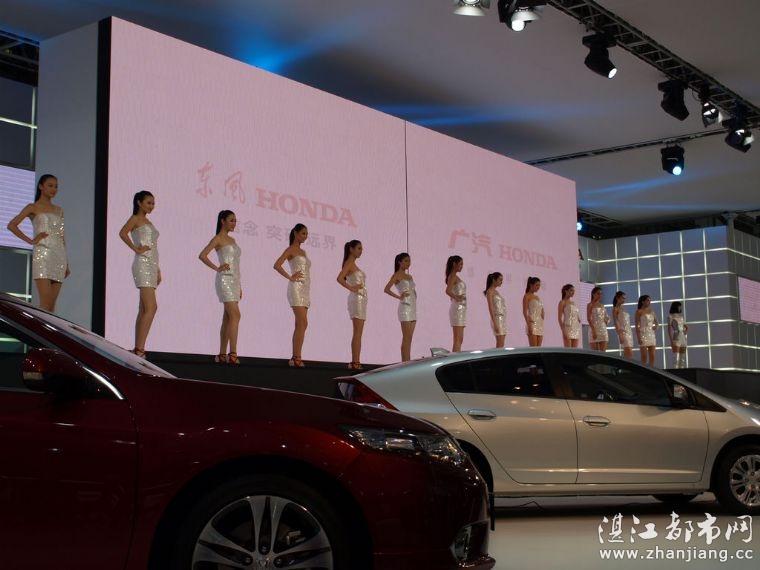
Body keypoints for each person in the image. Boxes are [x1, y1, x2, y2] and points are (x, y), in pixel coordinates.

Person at [6, 174, 70, 311]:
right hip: (43, 255)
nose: (54, 189)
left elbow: (61, 236)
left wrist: (67, 263)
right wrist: (31, 241)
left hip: (59, 257)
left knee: (51, 307)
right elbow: (12, 225)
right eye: (50, 185)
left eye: (56, 186)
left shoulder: (59, 210)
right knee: (45, 304)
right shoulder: (32, 207)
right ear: (41, 186)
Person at [118, 190, 160, 358]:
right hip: (142, 264)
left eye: (153, 203)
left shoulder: (148, 222)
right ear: (139, 203)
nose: (151, 206)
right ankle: (140, 350)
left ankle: (138, 349)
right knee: (151, 307)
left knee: (143, 308)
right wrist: (135, 248)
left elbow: (154, 248)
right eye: (149, 202)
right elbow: (122, 233)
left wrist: (157, 269)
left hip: (151, 265)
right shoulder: (135, 219)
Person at [198, 210, 242, 365]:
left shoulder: (233, 240)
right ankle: (233, 354)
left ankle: (222, 354)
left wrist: (239, 285)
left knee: (228, 317)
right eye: (231, 220)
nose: (234, 223)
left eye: (235, 220)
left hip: (234, 281)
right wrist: (217, 268)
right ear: (222, 221)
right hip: (225, 280)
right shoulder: (218, 238)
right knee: (236, 315)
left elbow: (236, 264)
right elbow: (202, 255)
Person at [273, 223, 310, 368]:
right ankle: (296, 357)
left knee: (301, 324)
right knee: (303, 322)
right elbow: (277, 265)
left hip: (305, 288)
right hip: (296, 288)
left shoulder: (303, 252)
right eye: (303, 233)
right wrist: (290, 276)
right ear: (295, 233)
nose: (305, 236)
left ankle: (296, 357)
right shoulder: (290, 249)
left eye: (306, 234)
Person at [337, 240, 367, 370]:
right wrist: (352, 288)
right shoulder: (349, 263)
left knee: (358, 332)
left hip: (361, 299)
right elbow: (339, 278)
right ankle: (355, 362)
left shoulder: (352, 264)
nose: (361, 251)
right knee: (358, 332)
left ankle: (356, 361)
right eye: (359, 248)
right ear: (351, 249)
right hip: (357, 299)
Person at [383, 252, 417, 361]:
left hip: (413, 307)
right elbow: (386, 289)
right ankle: (405, 363)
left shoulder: (409, 276)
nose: (408, 263)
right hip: (405, 308)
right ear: (399, 262)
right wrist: (399, 296)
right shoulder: (397, 275)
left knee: (410, 338)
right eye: (406, 261)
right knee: (406, 338)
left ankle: (408, 362)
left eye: (409, 261)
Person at [445, 255, 466, 352]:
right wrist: (457, 298)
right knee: (457, 339)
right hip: (457, 309)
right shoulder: (452, 276)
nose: (462, 266)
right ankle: (455, 359)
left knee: (460, 339)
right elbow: (448, 291)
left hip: (461, 309)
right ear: (454, 264)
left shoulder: (455, 276)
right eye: (460, 264)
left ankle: (457, 357)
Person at [635, 294, 659, 366]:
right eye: (648, 300)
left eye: (650, 301)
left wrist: (656, 327)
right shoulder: (639, 311)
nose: (649, 302)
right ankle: (642, 371)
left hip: (651, 334)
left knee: (652, 357)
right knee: (644, 357)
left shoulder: (652, 311)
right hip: (643, 334)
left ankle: (652, 371)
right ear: (643, 301)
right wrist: (638, 337)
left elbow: (657, 322)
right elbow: (636, 325)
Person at [484, 272, 506, 348]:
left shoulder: (496, 291)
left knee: (502, 343)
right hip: (497, 318)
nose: (501, 282)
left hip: (502, 318)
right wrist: (495, 322)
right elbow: (491, 308)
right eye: (500, 280)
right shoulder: (489, 291)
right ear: (494, 280)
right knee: (500, 343)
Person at [587, 286, 610, 352]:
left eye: (601, 294)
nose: (600, 295)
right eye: (598, 293)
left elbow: (606, 317)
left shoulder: (602, 305)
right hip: (594, 329)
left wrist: (607, 321)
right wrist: (593, 330)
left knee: (604, 353)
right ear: (593, 294)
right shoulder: (590, 305)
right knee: (595, 354)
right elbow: (588, 318)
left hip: (603, 329)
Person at [522, 276, 544, 346]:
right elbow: (524, 311)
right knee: (534, 348)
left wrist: (542, 315)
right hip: (532, 323)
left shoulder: (537, 297)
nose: (538, 287)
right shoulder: (526, 296)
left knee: (539, 349)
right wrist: (529, 325)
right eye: (537, 285)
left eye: (539, 285)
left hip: (539, 323)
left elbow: (541, 309)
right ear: (531, 285)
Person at [557, 283, 580, 348]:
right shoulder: (562, 302)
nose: (573, 292)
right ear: (566, 291)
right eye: (571, 290)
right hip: (567, 327)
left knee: (575, 351)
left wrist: (578, 318)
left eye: (573, 291)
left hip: (575, 327)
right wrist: (563, 330)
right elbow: (559, 318)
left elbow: (575, 314)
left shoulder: (573, 303)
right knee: (568, 350)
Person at [612, 291, 634, 359]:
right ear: (617, 298)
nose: (624, 300)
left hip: (629, 331)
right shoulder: (615, 309)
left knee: (629, 354)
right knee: (629, 352)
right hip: (622, 332)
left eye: (624, 298)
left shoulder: (623, 308)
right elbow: (615, 322)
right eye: (622, 298)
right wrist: (620, 334)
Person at [668, 301, 688, 368]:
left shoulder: (681, 317)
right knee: (676, 358)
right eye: (679, 306)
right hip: (676, 336)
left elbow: (686, 327)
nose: (680, 308)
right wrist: (671, 341)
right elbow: (669, 329)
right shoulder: (670, 317)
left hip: (682, 337)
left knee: (682, 359)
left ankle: (681, 372)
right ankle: (675, 372)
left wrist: (685, 331)